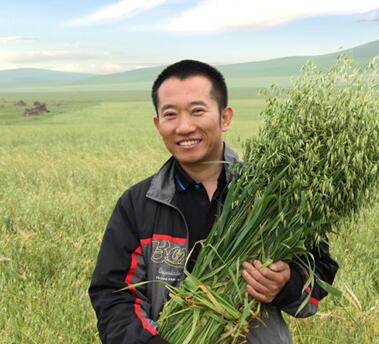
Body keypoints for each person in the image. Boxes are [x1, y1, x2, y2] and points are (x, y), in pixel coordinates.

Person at [88, 60, 339, 344]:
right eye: (170, 114)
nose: (184, 127)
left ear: (225, 118)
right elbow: (113, 296)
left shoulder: (273, 197)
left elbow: (320, 274)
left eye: (197, 111)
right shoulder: (138, 204)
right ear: (158, 124)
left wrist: (286, 284)